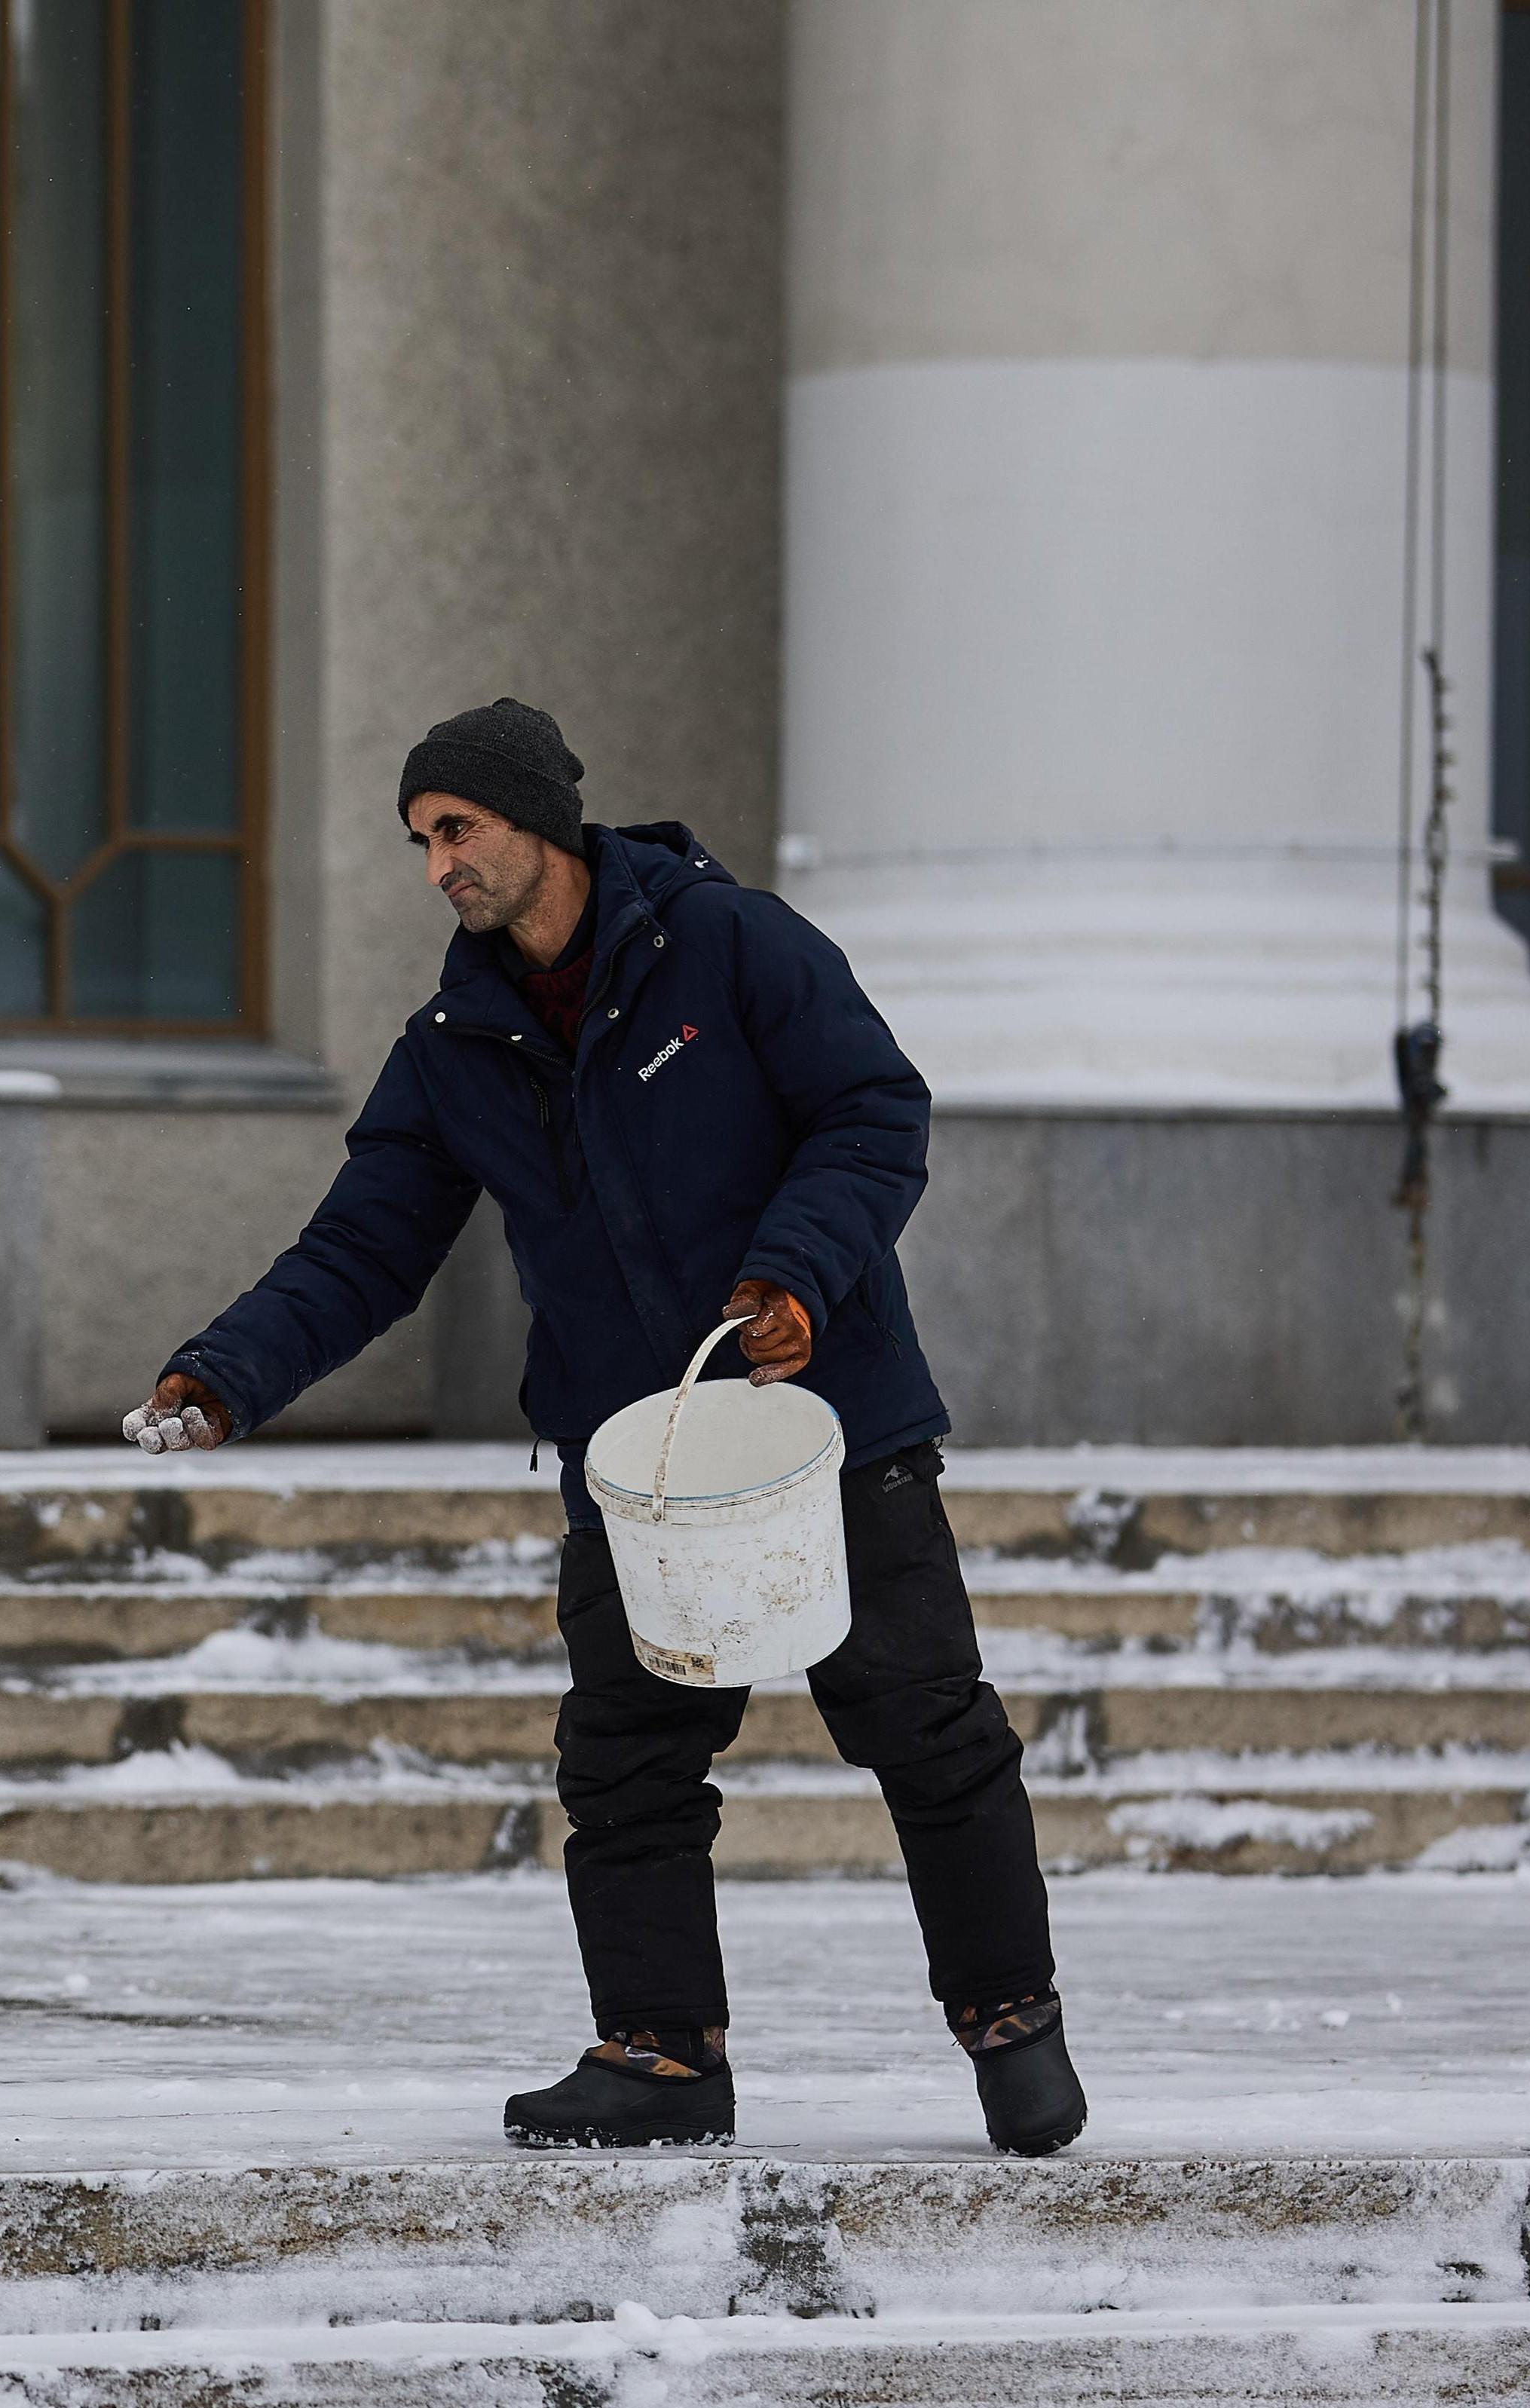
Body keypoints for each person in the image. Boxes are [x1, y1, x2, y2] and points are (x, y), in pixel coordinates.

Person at [121, 699, 1084, 2157]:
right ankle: (662, 2057)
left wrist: (794, 1276)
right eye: (420, 840)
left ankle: (1012, 2023)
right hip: (637, 1461)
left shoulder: (731, 944)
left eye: (457, 829)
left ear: (539, 819)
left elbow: (874, 1110)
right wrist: (224, 1376)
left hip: (829, 1420)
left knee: (928, 1727)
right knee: (627, 1762)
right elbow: (364, 1246)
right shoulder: (456, 1043)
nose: (438, 865)